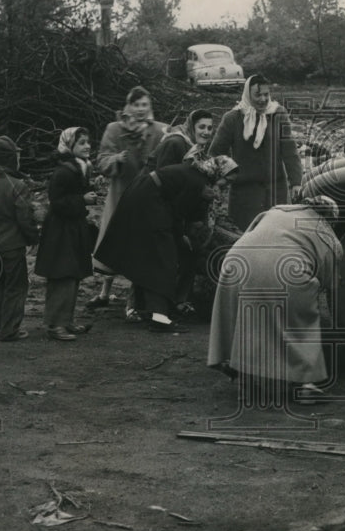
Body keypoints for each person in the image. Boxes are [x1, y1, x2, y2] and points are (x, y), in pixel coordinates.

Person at [207, 195, 342, 404]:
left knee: (248, 321)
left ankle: (245, 379)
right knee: (299, 322)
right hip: (286, 271)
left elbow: (251, 234)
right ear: (329, 219)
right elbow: (330, 287)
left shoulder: (274, 212)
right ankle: (304, 384)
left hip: (236, 264)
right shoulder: (329, 237)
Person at [94, 156, 240, 333]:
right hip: (148, 201)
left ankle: (146, 308)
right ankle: (159, 316)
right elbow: (178, 212)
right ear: (219, 173)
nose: (226, 186)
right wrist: (181, 236)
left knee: (151, 255)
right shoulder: (197, 182)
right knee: (163, 257)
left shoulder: (197, 176)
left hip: (144, 195)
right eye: (226, 180)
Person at [88, 86, 168, 317]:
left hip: (146, 197)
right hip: (120, 193)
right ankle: (105, 291)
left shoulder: (159, 131)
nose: (141, 110)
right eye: (136, 105)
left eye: (145, 105)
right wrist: (117, 159)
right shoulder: (114, 129)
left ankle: (132, 302)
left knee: (140, 247)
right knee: (115, 242)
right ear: (128, 106)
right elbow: (101, 160)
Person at [208, 74, 303, 230]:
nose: (263, 99)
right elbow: (216, 153)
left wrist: (296, 183)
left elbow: (290, 151)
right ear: (247, 95)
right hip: (245, 195)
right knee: (247, 237)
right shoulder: (232, 118)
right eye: (257, 95)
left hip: (275, 192)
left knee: (277, 235)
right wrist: (217, 183)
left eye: (266, 94)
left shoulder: (279, 115)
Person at [34, 127, 98, 341]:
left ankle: (66, 321)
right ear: (70, 146)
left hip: (72, 228)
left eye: (88, 142)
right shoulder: (64, 171)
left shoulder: (80, 167)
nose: (87, 146)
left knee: (73, 276)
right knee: (62, 276)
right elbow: (57, 202)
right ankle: (54, 324)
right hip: (60, 231)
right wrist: (83, 200)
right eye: (81, 143)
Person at [0, 136, 40, 342]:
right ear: (10, 159)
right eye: (16, 155)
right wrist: (33, 238)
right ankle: (10, 329)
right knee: (16, 285)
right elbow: (24, 217)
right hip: (13, 246)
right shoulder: (18, 186)